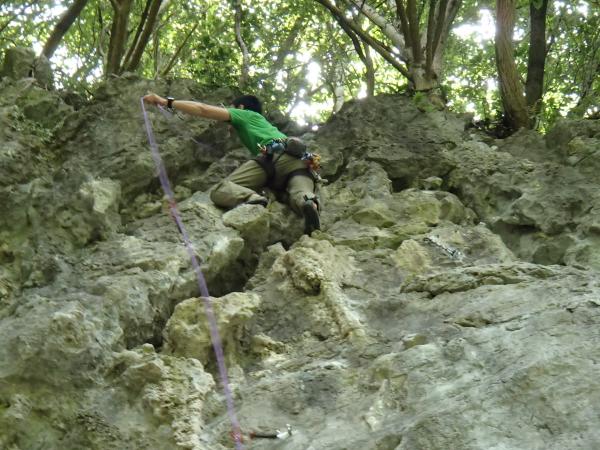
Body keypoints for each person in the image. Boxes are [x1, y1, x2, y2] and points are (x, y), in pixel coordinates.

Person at [142, 93, 321, 234]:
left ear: (240, 107)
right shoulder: (265, 125)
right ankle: (309, 204)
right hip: (301, 162)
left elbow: (203, 109)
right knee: (302, 193)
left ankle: (253, 198)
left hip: (272, 157)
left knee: (221, 190)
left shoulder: (245, 114)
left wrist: (166, 102)